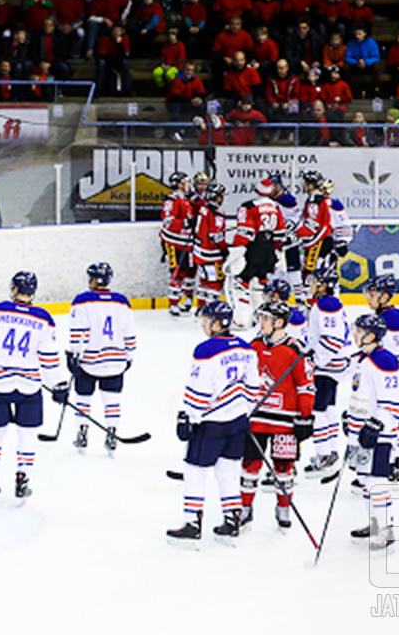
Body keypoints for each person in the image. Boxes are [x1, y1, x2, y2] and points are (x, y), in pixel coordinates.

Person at [167, 300, 258, 542]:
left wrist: (189, 417)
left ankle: (191, 523)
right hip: (237, 422)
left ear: (218, 324)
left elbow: (199, 391)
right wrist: (242, 412)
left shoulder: (205, 350)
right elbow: (253, 388)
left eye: (207, 321)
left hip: (211, 424)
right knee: (228, 472)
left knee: (194, 471)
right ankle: (231, 522)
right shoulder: (247, 348)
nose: (203, 325)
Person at [0, 272, 64, 500]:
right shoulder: (44, 318)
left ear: (13, 288)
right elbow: (49, 359)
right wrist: (58, 385)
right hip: (29, 386)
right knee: (27, 435)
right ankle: (23, 480)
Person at [240, 300, 314, 529]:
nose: (260, 322)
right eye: (260, 317)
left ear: (279, 322)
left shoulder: (296, 350)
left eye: (265, 318)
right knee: (250, 466)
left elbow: (306, 385)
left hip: (285, 422)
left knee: (283, 469)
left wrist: (305, 416)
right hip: (257, 419)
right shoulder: (253, 346)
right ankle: (244, 508)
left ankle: (283, 509)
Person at [346, 314, 399, 551]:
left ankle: (386, 529)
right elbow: (362, 396)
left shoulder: (385, 361)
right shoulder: (363, 359)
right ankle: (375, 522)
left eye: (359, 330)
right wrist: (350, 419)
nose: (355, 334)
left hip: (379, 436)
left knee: (376, 482)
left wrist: (377, 424)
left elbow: (394, 402)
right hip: (361, 433)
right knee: (365, 480)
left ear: (371, 335)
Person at [65, 262, 136, 453]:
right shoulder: (122, 301)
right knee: (112, 399)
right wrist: (129, 355)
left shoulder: (82, 300)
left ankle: (82, 432)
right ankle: (112, 433)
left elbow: (78, 331)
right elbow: (129, 332)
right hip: (116, 360)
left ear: (95, 279)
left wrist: (73, 354)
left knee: (83, 398)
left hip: (89, 360)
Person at [300, 265, 353, 480]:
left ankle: (324, 455)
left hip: (328, 366)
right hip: (335, 365)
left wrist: (315, 359)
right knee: (328, 408)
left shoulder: (326, 305)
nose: (311, 285)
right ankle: (331, 452)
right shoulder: (327, 303)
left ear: (324, 285)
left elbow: (332, 340)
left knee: (318, 411)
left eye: (315, 281)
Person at [228, 178, 286, 329]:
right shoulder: (275, 207)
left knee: (241, 284)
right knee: (260, 287)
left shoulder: (248, 207)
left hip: (253, 250)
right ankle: (262, 320)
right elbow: (280, 233)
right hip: (269, 251)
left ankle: (241, 320)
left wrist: (235, 250)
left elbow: (245, 232)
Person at [159, 172, 195, 314]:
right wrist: (185, 223)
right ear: (179, 184)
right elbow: (168, 222)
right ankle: (173, 302)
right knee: (178, 272)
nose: (188, 185)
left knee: (189, 271)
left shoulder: (186, 200)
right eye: (186, 182)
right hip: (173, 243)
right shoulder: (171, 200)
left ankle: (186, 298)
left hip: (187, 242)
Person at [191, 181, 227, 311]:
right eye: (221, 195)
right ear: (217, 196)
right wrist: (224, 248)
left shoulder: (203, 208)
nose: (222, 198)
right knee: (215, 282)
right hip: (211, 254)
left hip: (198, 251)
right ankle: (211, 310)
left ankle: (200, 307)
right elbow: (215, 236)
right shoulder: (217, 213)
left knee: (204, 280)